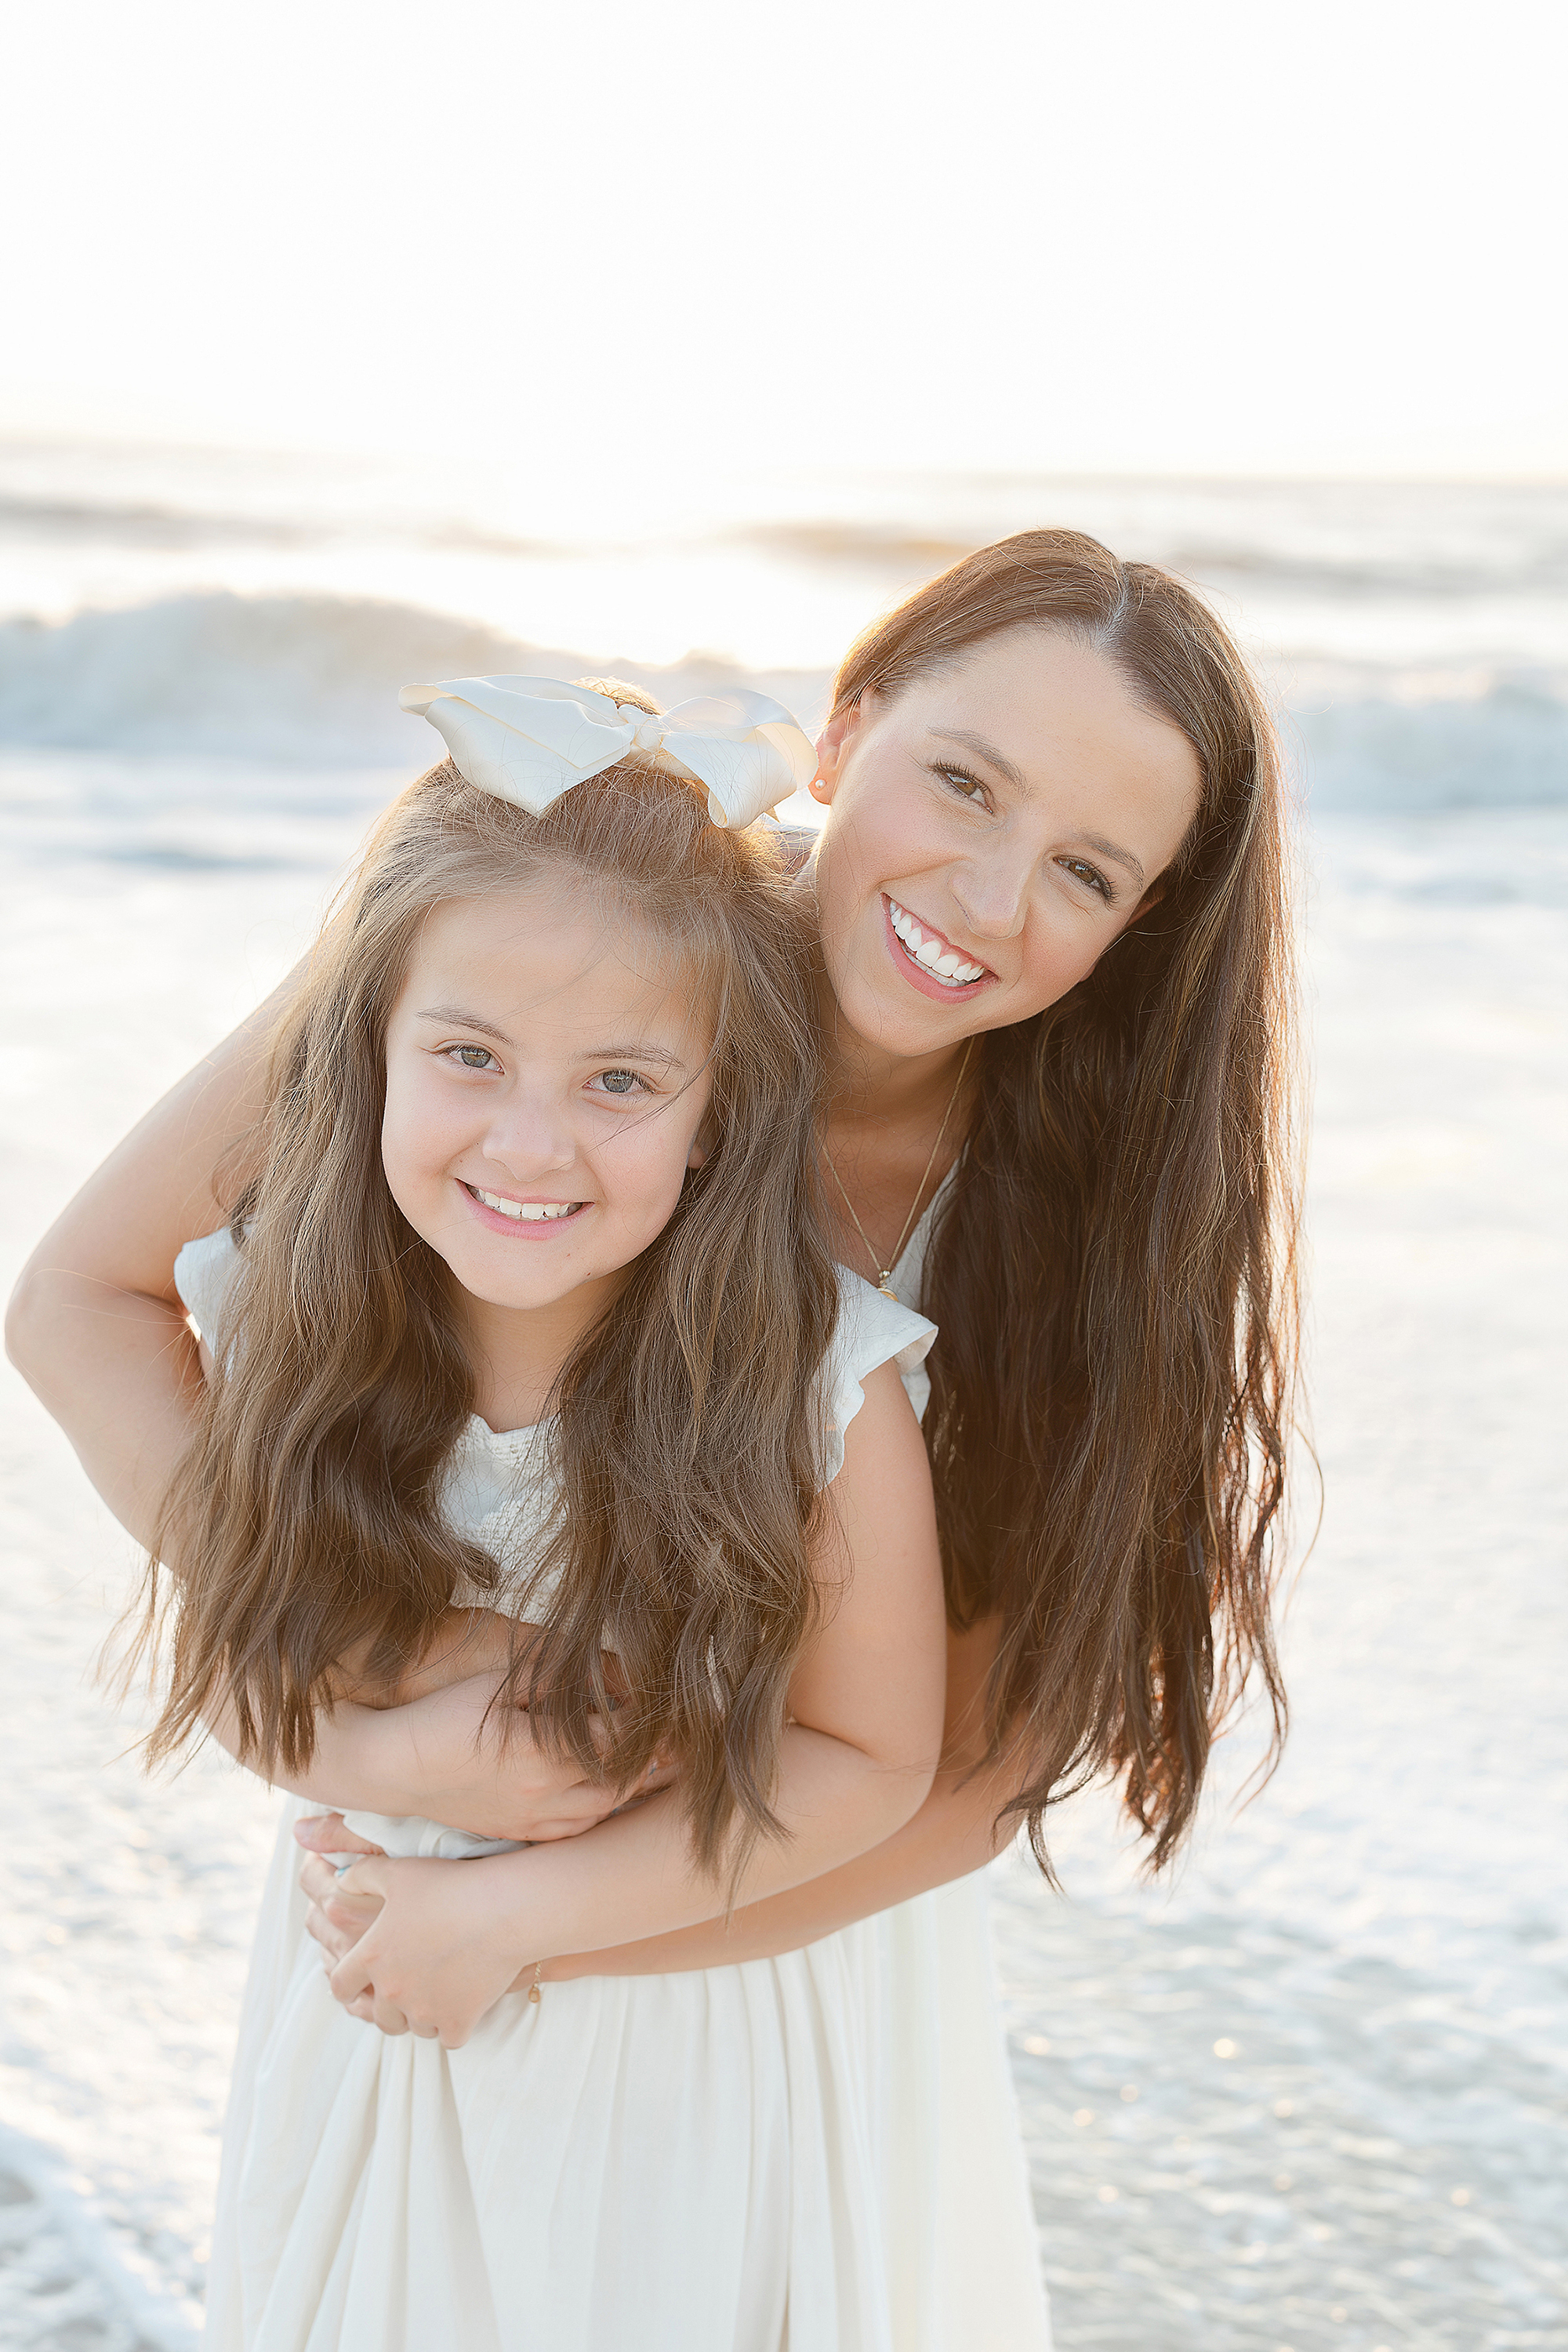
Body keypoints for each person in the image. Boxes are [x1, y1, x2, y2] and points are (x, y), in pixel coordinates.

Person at [12, 527, 1300, 2339]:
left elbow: (967, 1775)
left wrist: (531, 1930)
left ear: (1139, 925)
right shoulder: (559, 952)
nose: (992, 896)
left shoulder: (1092, 1219)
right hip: (402, 1909)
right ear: (844, 730)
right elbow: (81, 1302)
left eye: (1085, 871)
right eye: (961, 783)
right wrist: (348, 1667)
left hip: (761, 1975)